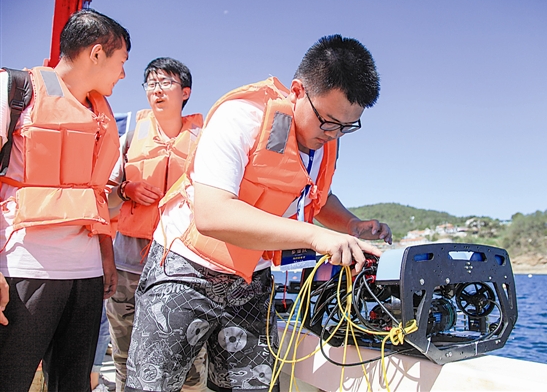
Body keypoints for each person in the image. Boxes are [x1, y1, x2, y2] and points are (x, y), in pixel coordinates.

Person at [125, 35, 391, 392]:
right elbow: (212, 214)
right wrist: (316, 236)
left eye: (347, 127)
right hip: (185, 269)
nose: (334, 134)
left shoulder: (323, 140)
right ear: (297, 91)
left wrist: (351, 225)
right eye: (328, 122)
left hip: (251, 280)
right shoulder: (242, 117)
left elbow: (313, 194)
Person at [0, 9, 130, 392]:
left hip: (87, 277)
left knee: (73, 384)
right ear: (96, 54)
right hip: (24, 268)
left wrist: (106, 254)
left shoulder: (100, 117)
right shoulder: (14, 91)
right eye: (121, 62)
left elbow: (94, 198)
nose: (122, 74)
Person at [106, 57, 206, 392]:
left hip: (181, 267)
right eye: (151, 83)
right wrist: (125, 188)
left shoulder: (204, 142)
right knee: (125, 356)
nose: (156, 90)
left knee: (187, 360)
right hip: (128, 265)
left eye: (166, 82)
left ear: (185, 92)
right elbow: (103, 199)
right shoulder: (130, 136)